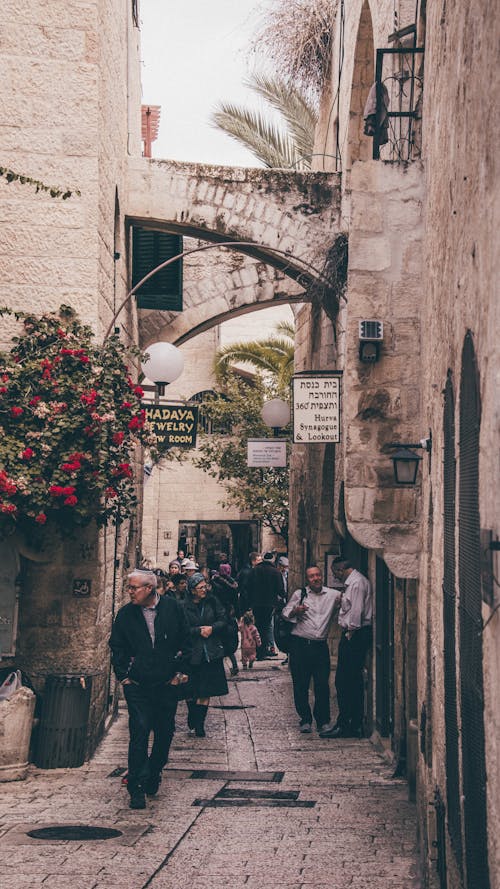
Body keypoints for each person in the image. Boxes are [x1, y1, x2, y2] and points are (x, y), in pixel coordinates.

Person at [109, 569, 192, 809]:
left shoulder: (173, 608)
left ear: (149, 589)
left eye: (134, 588)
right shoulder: (126, 614)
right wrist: (124, 676)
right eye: (129, 587)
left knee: (164, 732)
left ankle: (154, 770)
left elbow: (186, 640)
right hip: (138, 685)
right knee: (140, 731)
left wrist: (180, 672)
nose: (130, 592)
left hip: (167, 684)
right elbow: (117, 645)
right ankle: (136, 785)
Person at [282, 565, 341, 734]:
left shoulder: (332, 595)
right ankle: (305, 719)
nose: (315, 578)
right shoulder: (299, 595)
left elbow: (346, 602)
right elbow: (285, 614)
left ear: (321, 576)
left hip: (320, 646)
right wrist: (296, 610)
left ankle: (323, 720)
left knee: (322, 684)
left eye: (317, 575)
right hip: (300, 645)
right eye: (311, 576)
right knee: (301, 684)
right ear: (307, 580)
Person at [319, 559, 373, 739]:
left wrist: (350, 633)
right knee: (349, 680)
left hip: (354, 635)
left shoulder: (356, 584)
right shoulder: (355, 582)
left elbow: (356, 612)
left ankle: (347, 724)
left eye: (336, 573)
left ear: (341, 569)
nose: (335, 576)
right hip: (353, 634)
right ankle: (349, 722)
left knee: (345, 681)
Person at [182, 572, 229, 737]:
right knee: (190, 691)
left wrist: (212, 628)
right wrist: (197, 631)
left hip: (211, 652)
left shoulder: (212, 602)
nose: (204, 589)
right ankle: (192, 715)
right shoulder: (182, 606)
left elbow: (224, 620)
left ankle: (200, 724)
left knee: (205, 690)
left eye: (205, 586)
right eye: (200, 587)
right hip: (192, 653)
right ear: (192, 590)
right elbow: (180, 629)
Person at [247, 551, 283, 658]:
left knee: (258, 625)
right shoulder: (275, 572)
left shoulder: (254, 571)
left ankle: (258, 650)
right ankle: (264, 650)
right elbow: (280, 590)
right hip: (270, 603)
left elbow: (248, 587)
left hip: (256, 603)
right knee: (267, 626)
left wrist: (250, 601)